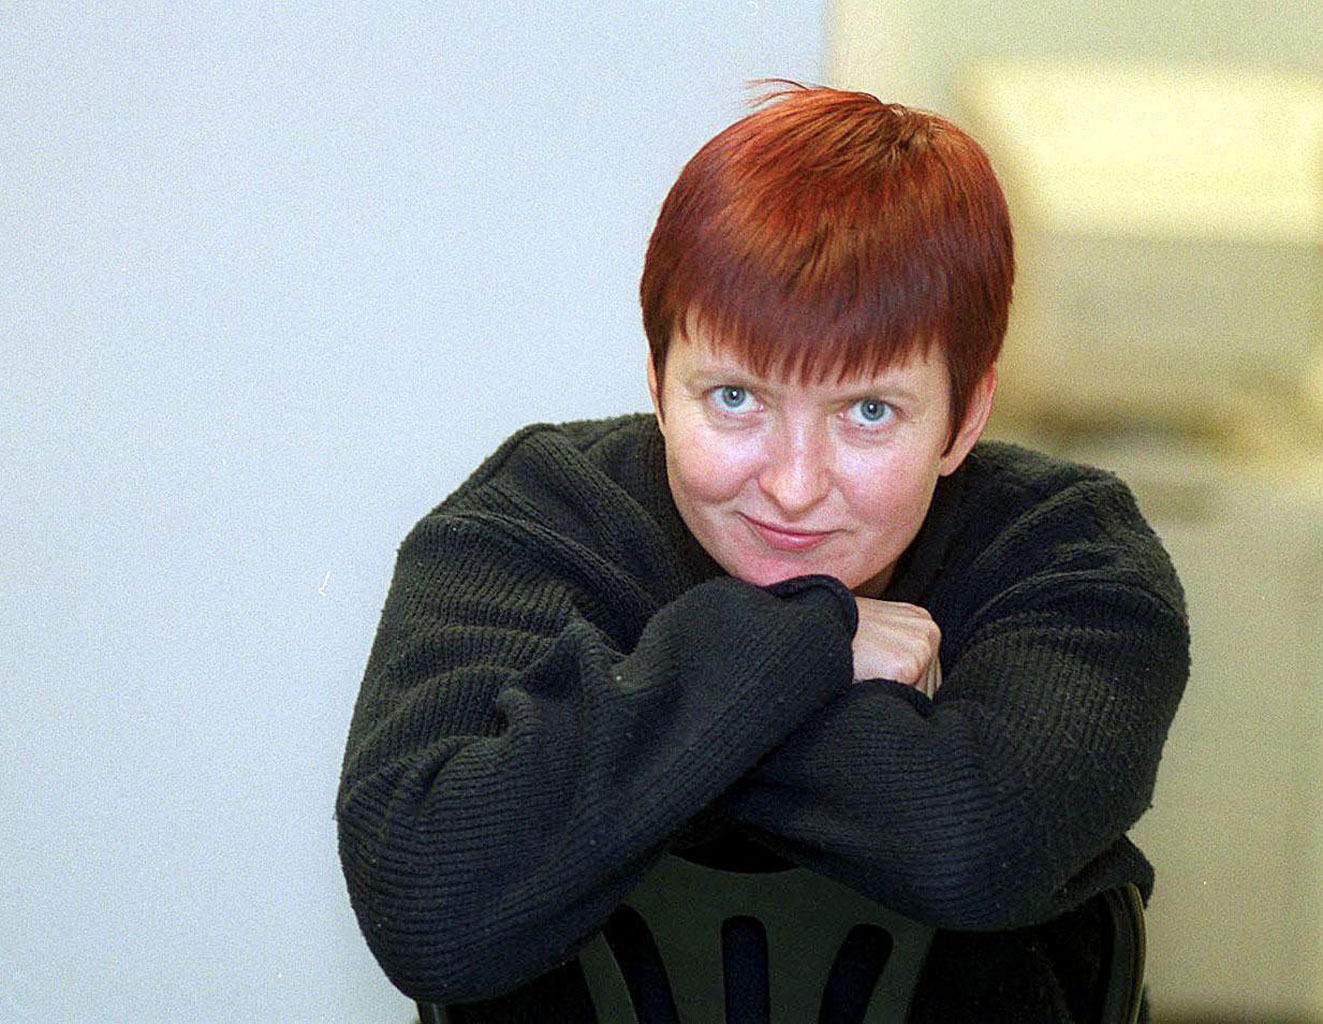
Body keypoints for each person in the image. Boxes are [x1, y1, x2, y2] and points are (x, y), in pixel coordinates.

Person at [337, 82, 1189, 1022]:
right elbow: (428, 899)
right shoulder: (540, 520)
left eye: (868, 411)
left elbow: (971, 846)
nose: (791, 485)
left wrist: (627, 750)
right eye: (735, 398)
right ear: (657, 380)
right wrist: (813, 639)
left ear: (964, 418)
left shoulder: (1064, 552)